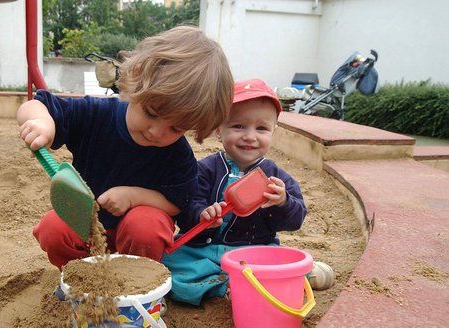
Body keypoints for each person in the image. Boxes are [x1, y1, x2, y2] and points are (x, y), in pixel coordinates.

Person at [17, 25, 233, 270]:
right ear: (137, 78)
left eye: (177, 128)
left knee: (145, 226)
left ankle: (137, 284)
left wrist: (133, 197)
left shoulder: (178, 153)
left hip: (138, 240)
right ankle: (81, 277)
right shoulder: (95, 115)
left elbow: (179, 202)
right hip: (88, 224)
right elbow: (37, 105)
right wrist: (41, 122)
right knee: (53, 229)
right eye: (151, 113)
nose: (157, 132)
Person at [162, 78, 334, 306]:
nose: (250, 136)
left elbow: (296, 219)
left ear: (274, 132)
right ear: (218, 130)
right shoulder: (204, 169)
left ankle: (296, 274)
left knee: (273, 263)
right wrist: (201, 212)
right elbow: (187, 205)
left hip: (253, 251)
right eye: (238, 126)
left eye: (261, 128)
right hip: (203, 250)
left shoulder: (276, 177)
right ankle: (227, 284)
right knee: (166, 264)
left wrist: (283, 202)